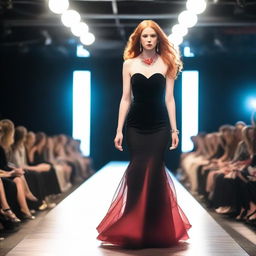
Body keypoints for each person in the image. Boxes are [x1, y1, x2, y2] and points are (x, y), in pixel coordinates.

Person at [96, 20, 192, 249]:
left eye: (152, 36)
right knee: (138, 170)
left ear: (159, 39)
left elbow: (169, 99)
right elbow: (125, 98)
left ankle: (155, 227)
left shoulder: (167, 62)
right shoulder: (128, 64)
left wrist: (174, 129)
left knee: (154, 169)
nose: (149, 40)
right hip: (135, 126)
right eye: (145, 36)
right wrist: (119, 129)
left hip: (159, 126)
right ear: (139, 39)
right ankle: (133, 225)